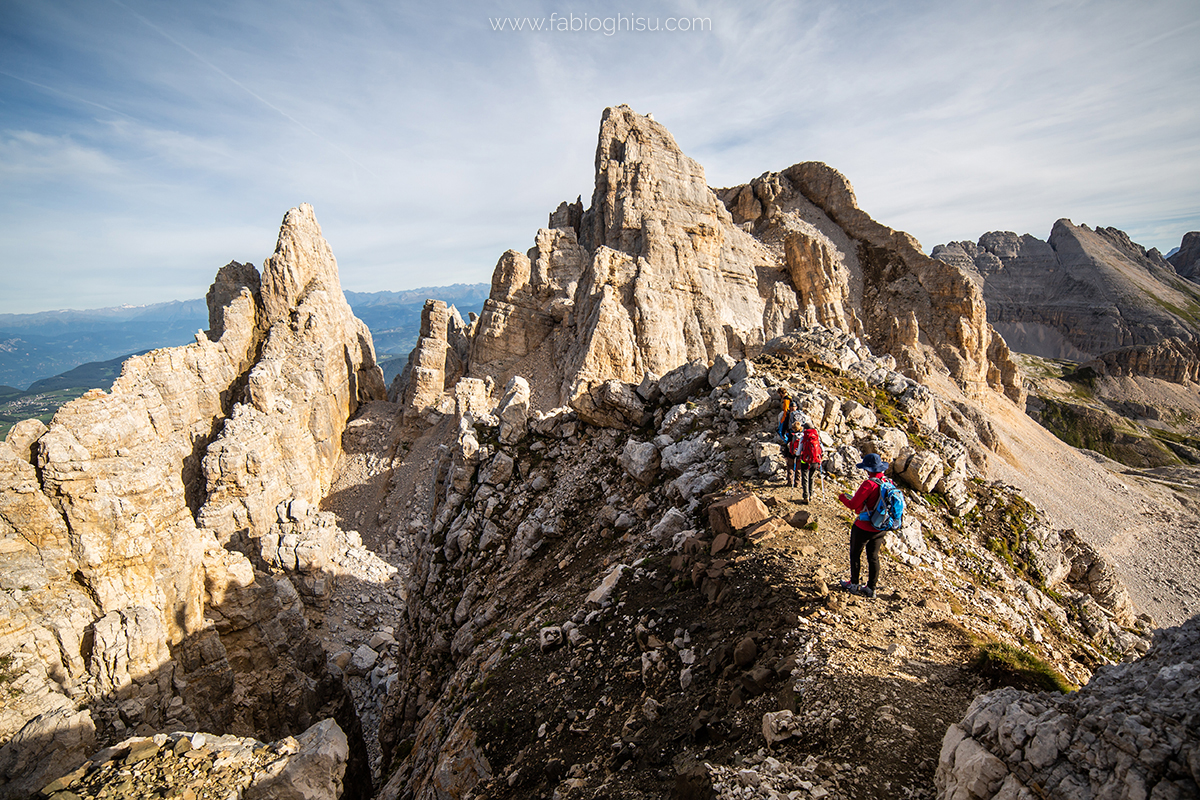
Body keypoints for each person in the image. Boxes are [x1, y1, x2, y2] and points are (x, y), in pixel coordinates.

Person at [837, 452, 890, 598]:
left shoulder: (869, 484)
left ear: (868, 469)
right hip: (880, 527)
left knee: (855, 554)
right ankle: (871, 588)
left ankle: (854, 584)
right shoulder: (888, 482)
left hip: (864, 526)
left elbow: (853, 504)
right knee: (873, 557)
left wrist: (842, 497)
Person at [796, 423, 822, 504]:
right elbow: (822, 450)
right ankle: (811, 495)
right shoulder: (817, 438)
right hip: (815, 461)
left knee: (805, 478)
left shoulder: (803, 438)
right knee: (812, 477)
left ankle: (805, 496)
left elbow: (798, 452)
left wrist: (797, 453)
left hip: (805, 461)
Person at [782, 418, 803, 488]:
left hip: (791, 453)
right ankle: (797, 483)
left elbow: (787, 444)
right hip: (800, 454)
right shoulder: (803, 435)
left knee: (790, 467)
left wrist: (785, 454)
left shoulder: (791, 435)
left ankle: (790, 482)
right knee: (798, 469)